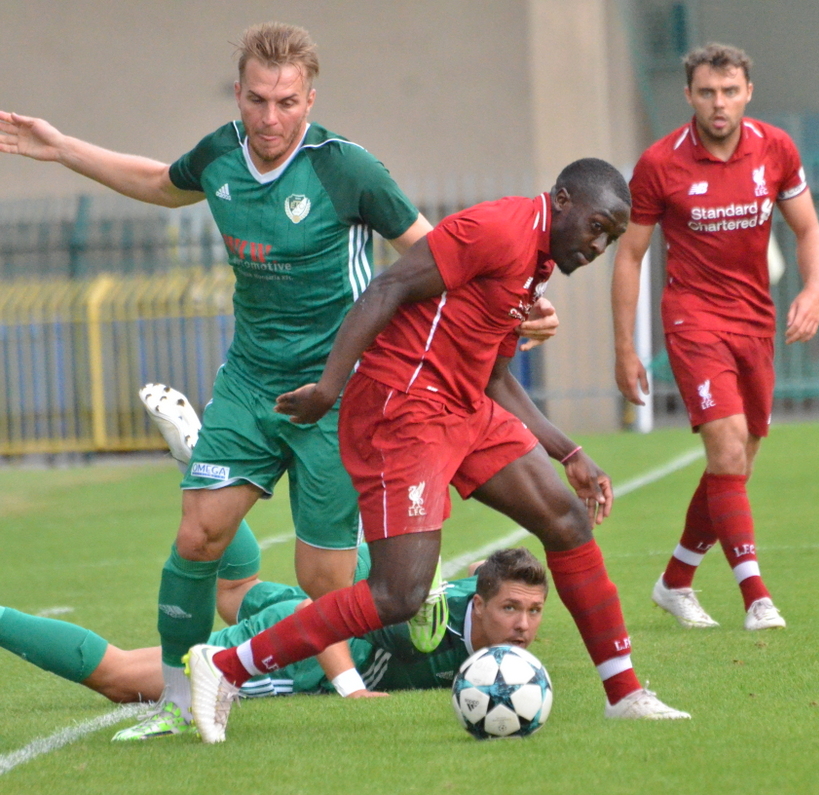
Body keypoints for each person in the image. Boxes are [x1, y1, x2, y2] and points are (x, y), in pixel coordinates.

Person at [0, 22, 559, 740]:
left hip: (340, 393)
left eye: (286, 102)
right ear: (239, 93)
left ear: (310, 98)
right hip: (250, 381)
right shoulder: (220, 155)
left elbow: (437, 257)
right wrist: (60, 147)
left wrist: (512, 310)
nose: (270, 118)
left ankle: (281, 657)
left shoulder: (347, 168)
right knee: (198, 535)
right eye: (257, 100)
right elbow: (158, 184)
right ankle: (179, 699)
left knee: (325, 581)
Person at [185, 157, 689, 745]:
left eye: (611, 237)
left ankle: (625, 694)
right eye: (597, 227)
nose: (600, 246)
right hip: (404, 408)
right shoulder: (498, 229)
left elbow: (496, 377)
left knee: (567, 520)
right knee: (399, 594)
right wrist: (328, 386)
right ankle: (224, 669)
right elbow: (388, 286)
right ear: (563, 199)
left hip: (465, 407)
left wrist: (567, 451)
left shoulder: (538, 262)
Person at [610, 43, 819, 631]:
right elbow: (629, 256)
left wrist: (811, 291)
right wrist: (625, 348)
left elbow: (808, 229)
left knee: (739, 461)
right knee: (727, 449)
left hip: (754, 320)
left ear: (748, 92)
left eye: (730, 91)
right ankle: (757, 596)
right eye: (707, 92)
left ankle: (675, 582)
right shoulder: (660, 164)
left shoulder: (776, 148)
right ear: (689, 96)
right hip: (693, 319)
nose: (719, 103)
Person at [0, 547, 549, 732]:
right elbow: (321, 609)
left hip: (302, 612)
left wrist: (495, 575)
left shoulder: (489, 613)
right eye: (510, 610)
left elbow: (484, 566)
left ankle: (201, 461)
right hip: (307, 651)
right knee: (122, 680)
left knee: (236, 588)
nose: (523, 627)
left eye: (533, 612)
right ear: (477, 605)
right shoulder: (426, 618)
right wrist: (351, 688)